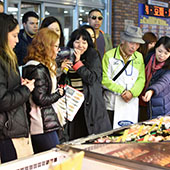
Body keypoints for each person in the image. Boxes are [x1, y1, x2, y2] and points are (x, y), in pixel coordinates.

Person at [62, 28, 112, 140]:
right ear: (72, 42)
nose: (80, 45)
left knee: (90, 137)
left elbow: (92, 78)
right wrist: (62, 69)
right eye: (77, 42)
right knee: (74, 137)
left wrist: (78, 63)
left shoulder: (93, 55)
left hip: (89, 104)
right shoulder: (66, 55)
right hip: (72, 104)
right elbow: (62, 80)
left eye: (84, 42)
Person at [22, 28, 65, 154]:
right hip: (40, 124)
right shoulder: (37, 68)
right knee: (54, 161)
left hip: (44, 122)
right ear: (46, 46)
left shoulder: (39, 65)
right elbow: (40, 99)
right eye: (56, 46)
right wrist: (58, 94)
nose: (58, 50)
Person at [0, 13, 35, 163]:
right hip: (6, 131)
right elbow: (2, 100)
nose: (17, 40)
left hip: (11, 128)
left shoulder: (8, 58)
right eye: (14, 35)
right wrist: (26, 90)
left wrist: (20, 85)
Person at [102, 25, 145, 128]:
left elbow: (141, 78)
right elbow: (104, 79)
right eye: (131, 43)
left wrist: (132, 92)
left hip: (131, 103)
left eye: (137, 44)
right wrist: (122, 91)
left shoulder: (139, 57)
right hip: (112, 104)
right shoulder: (109, 55)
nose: (134, 47)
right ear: (123, 41)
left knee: (129, 135)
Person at [141, 36, 170, 119]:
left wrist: (152, 90)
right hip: (142, 102)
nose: (162, 55)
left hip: (160, 106)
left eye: (166, 53)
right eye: (159, 51)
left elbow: (164, 81)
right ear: (155, 48)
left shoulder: (168, 66)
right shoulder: (147, 59)